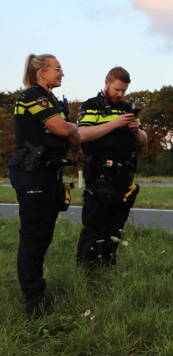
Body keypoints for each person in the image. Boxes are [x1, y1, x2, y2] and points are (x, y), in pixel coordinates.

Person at [8, 54, 80, 317]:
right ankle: (34, 300)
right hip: (32, 172)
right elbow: (62, 130)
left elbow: (70, 135)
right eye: (58, 69)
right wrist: (67, 128)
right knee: (33, 235)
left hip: (50, 173)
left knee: (44, 235)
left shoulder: (52, 100)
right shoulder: (32, 96)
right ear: (42, 73)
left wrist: (67, 129)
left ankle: (38, 290)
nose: (62, 73)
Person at [76, 67, 147, 269]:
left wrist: (135, 131)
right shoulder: (91, 106)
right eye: (117, 89)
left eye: (123, 91)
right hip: (99, 174)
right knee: (94, 225)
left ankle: (107, 265)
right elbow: (82, 135)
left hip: (123, 175)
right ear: (107, 82)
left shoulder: (127, 108)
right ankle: (86, 269)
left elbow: (143, 141)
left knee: (116, 226)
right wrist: (115, 124)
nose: (120, 94)